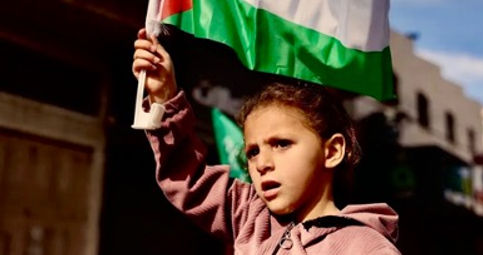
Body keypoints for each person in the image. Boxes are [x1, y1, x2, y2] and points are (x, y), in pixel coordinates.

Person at [132, 28, 401, 254]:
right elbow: (189, 177)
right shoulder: (250, 214)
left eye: (281, 144)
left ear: (332, 151)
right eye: (252, 152)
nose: (262, 164)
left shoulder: (364, 246)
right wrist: (165, 98)